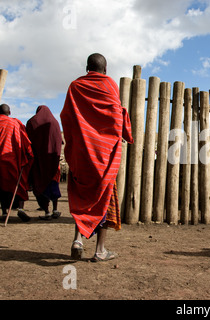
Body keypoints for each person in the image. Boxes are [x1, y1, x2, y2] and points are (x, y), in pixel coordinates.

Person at [60, 53, 133, 262]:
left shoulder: (75, 86)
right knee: (104, 197)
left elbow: (67, 116)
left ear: (86, 68)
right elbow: (115, 116)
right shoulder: (110, 86)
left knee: (83, 197)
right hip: (103, 155)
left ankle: (78, 240)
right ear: (106, 69)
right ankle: (100, 251)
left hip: (82, 156)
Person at [26, 105, 63, 220]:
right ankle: (55, 209)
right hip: (53, 162)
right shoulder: (55, 123)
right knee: (53, 185)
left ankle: (47, 211)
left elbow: (27, 140)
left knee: (39, 185)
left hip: (38, 163)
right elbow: (59, 141)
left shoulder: (32, 122)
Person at [0, 104, 33, 222]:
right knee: (19, 183)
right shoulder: (15, 123)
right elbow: (23, 142)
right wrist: (27, 153)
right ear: (9, 112)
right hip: (12, 159)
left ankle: (4, 211)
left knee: (1, 186)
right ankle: (20, 209)